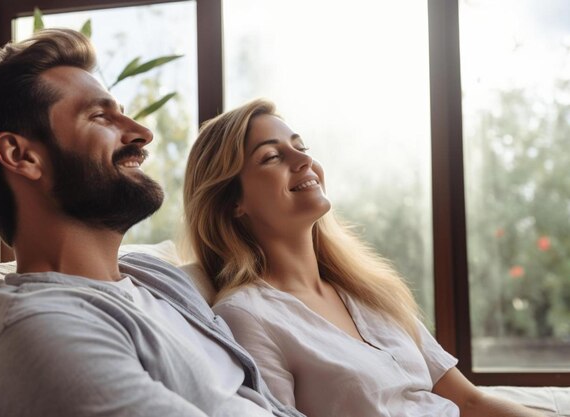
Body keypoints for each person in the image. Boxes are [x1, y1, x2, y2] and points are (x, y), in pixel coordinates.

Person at [0, 30, 304, 417]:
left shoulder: (150, 275)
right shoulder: (47, 333)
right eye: (101, 116)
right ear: (22, 156)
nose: (142, 133)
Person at [183, 99, 546, 417]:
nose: (304, 159)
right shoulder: (248, 316)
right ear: (233, 203)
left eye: (301, 146)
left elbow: (470, 403)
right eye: (273, 156)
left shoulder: (367, 291)